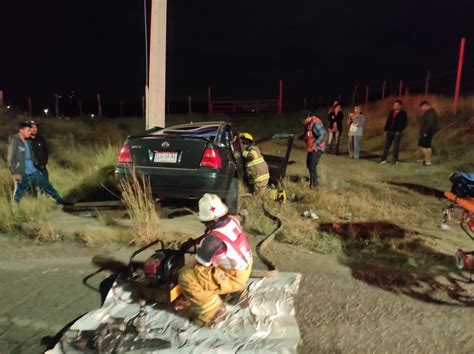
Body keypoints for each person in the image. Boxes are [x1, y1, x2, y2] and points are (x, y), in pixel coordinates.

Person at [178, 193, 252, 326]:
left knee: (187, 276)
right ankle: (235, 293)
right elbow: (216, 235)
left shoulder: (211, 242)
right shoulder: (232, 220)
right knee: (215, 264)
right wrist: (194, 242)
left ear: (209, 220)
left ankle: (214, 311)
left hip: (233, 277)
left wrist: (181, 270)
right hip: (244, 267)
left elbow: (200, 265)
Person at [7, 121, 69, 205]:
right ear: (21, 130)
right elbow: (11, 159)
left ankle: (59, 200)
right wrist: (15, 173)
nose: (30, 132)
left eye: (30, 130)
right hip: (22, 173)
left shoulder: (28, 141)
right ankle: (15, 210)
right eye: (28, 130)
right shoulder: (15, 141)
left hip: (33, 171)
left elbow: (32, 155)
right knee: (18, 193)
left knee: (47, 186)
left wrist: (36, 165)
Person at [301, 112, 327, 189]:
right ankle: (314, 182)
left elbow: (323, 134)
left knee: (312, 165)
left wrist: (316, 144)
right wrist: (298, 137)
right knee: (309, 164)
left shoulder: (316, 123)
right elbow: (307, 134)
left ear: (307, 117)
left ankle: (314, 185)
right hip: (311, 148)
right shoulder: (309, 123)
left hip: (317, 148)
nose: (302, 122)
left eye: (303, 120)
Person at [379, 100, 408, 164]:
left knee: (396, 146)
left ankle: (395, 159)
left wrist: (399, 130)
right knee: (386, 145)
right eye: (394, 105)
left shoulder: (403, 113)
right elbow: (388, 121)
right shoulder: (391, 112)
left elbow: (405, 123)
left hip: (397, 132)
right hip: (390, 131)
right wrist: (386, 129)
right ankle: (383, 159)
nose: (395, 106)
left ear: (400, 106)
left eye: (396, 105)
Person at [418, 101, 438, 166]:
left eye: (422, 107)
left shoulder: (431, 113)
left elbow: (430, 123)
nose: (422, 109)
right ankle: (427, 160)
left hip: (428, 132)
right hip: (426, 132)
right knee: (423, 145)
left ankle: (428, 161)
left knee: (426, 146)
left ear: (425, 105)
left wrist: (425, 132)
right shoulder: (428, 112)